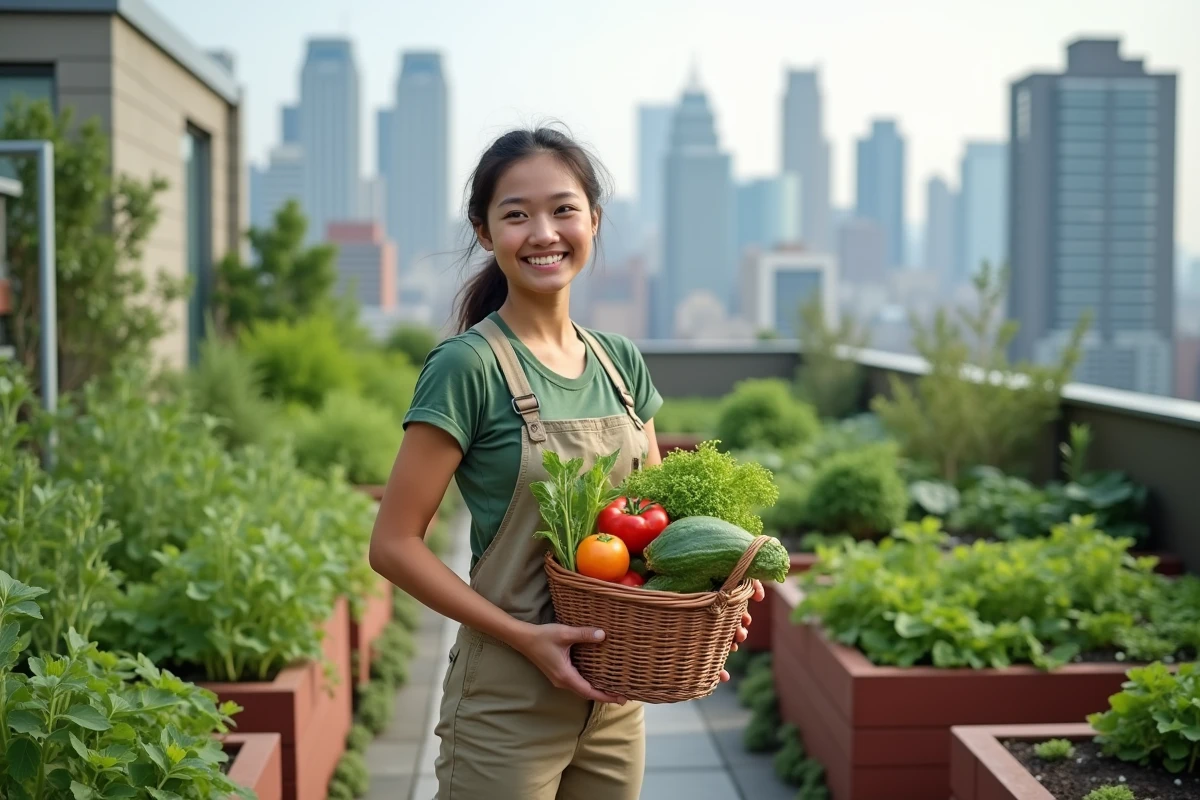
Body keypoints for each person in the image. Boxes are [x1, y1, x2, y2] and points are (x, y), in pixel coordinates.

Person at [368, 126, 763, 800]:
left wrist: (710, 597)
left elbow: (651, 531)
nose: (543, 232)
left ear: (594, 220)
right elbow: (393, 544)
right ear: (485, 232)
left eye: (563, 209)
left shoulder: (620, 362)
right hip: (508, 702)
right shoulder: (467, 366)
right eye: (516, 214)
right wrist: (526, 638)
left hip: (616, 696)